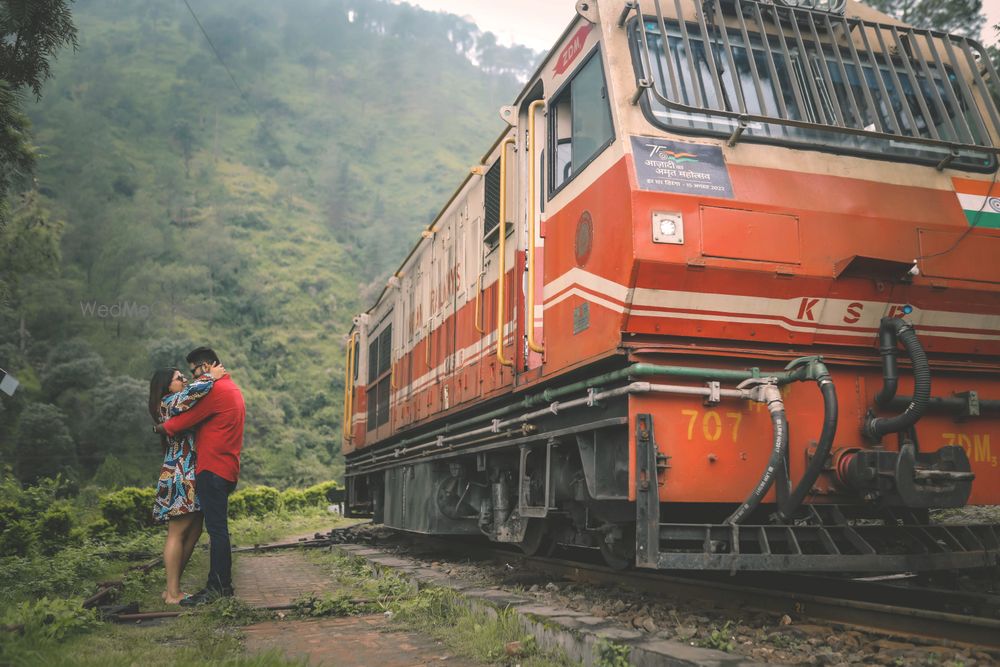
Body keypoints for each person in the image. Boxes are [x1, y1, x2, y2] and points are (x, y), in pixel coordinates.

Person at [155, 347, 246, 606]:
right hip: (223, 467)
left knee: (217, 531)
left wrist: (160, 428)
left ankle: (218, 587)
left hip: (212, 469)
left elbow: (186, 420)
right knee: (213, 529)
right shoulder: (231, 389)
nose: (191, 378)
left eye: (194, 371)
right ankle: (215, 585)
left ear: (205, 366)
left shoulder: (217, 391)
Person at [147, 363, 226, 604]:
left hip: (191, 471)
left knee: (194, 530)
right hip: (180, 473)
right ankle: (173, 594)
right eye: (178, 378)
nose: (183, 380)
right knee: (178, 532)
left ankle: (172, 587)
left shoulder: (175, 402)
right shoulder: (168, 402)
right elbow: (190, 394)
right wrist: (210, 376)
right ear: (166, 386)